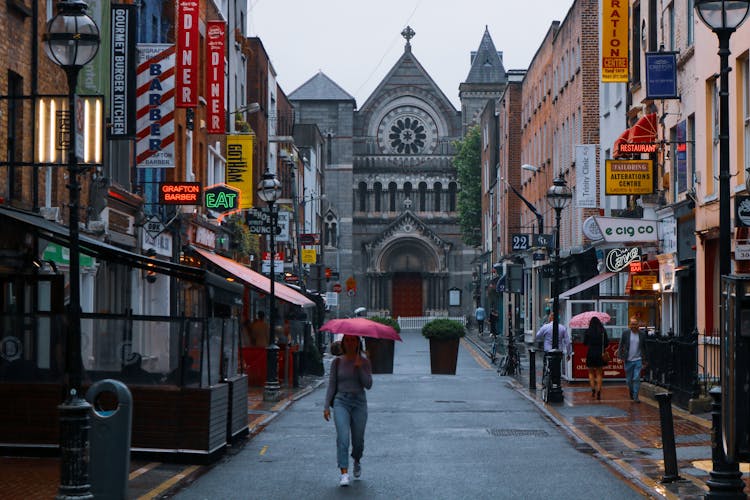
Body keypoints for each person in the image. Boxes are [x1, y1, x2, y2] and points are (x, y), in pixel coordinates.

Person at [323, 334, 373, 487]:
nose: (350, 343)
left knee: (358, 441)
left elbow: (368, 384)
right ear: (343, 343)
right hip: (341, 402)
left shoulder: (364, 361)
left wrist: (359, 368)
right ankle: (344, 473)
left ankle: (357, 459)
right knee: (343, 437)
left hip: (359, 402)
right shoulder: (337, 362)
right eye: (347, 340)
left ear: (358, 342)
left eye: (353, 340)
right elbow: (332, 385)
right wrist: (326, 406)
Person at [617, 316, 648, 402]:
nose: (633, 326)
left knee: (636, 378)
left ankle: (636, 396)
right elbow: (621, 345)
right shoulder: (625, 333)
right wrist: (620, 357)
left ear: (638, 325)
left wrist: (645, 360)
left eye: (635, 324)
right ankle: (631, 392)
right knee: (629, 380)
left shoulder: (642, 334)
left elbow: (645, 348)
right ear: (629, 325)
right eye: (632, 324)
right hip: (628, 360)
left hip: (638, 359)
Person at [583, 316, 608, 400]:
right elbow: (606, 343)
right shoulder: (602, 331)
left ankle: (593, 389)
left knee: (590, 372)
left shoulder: (588, 331)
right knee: (599, 373)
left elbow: (585, 343)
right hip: (600, 353)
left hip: (590, 353)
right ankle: (599, 391)